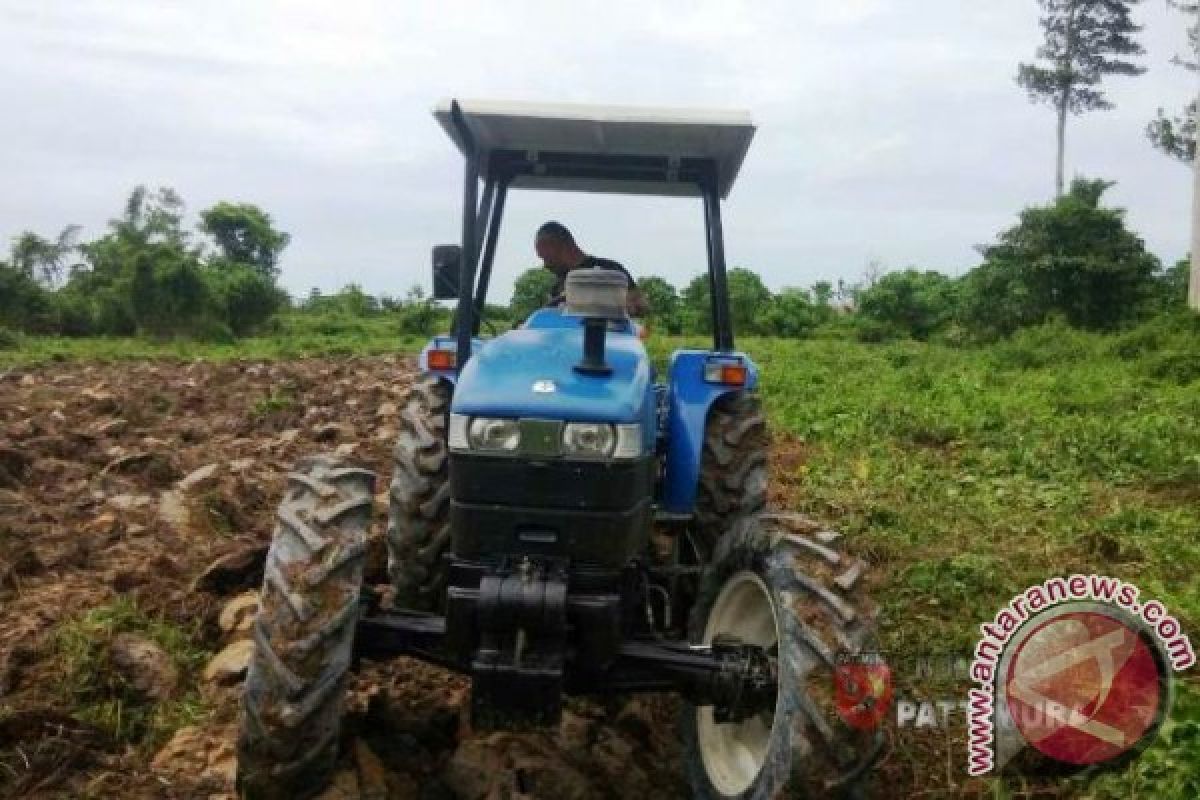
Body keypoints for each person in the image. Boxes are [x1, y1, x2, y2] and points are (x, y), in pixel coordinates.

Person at [534, 221, 648, 316]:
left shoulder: (611, 270)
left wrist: (611, 302)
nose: (545, 265)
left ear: (558, 246)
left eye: (545, 257)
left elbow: (641, 306)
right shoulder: (557, 287)